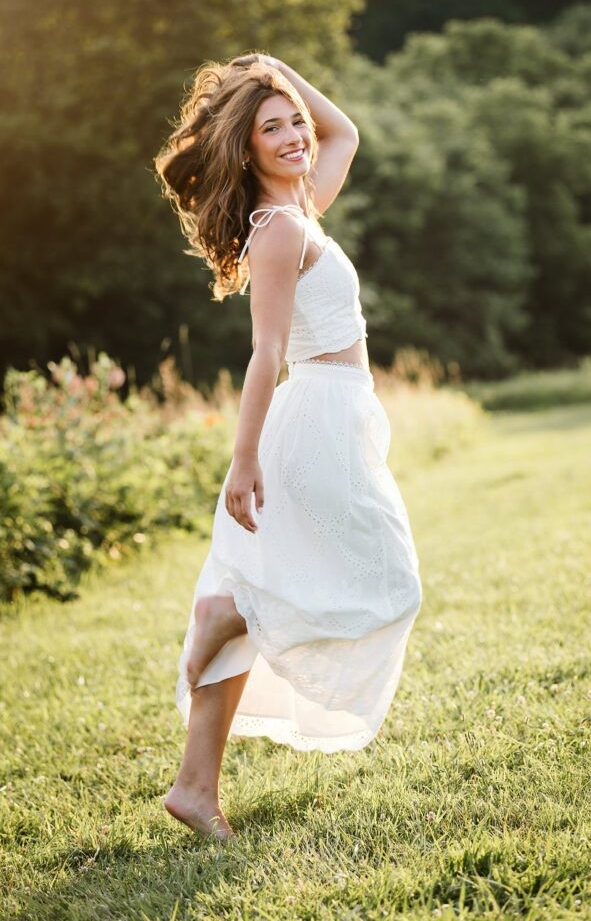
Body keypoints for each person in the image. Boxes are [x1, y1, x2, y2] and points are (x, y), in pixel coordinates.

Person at [153, 54, 422, 840]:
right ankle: (232, 608)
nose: (296, 133)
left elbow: (345, 131)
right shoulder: (278, 229)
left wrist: (281, 74)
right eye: (270, 127)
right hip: (312, 423)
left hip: (336, 414)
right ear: (246, 149)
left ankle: (195, 788)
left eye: (293, 120)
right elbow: (265, 352)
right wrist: (244, 460)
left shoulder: (301, 204)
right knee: (389, 581)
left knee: (269, 583)